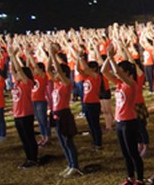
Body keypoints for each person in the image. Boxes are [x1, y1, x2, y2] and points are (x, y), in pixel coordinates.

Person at [102, 43, 145, 185]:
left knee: (133, 152)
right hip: (120, 121)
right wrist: (108, 58)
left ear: (127, 72)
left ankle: (139, 179)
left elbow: (117, 73)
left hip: (129, 121)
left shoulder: (131, 84)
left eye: (120, 70)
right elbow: (104, 71)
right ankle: (130, 178)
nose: (117, 72)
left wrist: (111, 58)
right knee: (125, 153)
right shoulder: (120, 84)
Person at [46, 43, 82, 177]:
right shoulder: (57, 83)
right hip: (56, 113)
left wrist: (54, 55)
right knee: (62, 142)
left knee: (68, 141)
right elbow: (49, 70)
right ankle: (69, 164)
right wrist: (50, 55)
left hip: (64, 114)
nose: (54, 74)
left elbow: (58, 71)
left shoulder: (67, 83)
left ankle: (75, 166)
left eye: (58, 72)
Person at [8, 46, 40, 168]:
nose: (17, 75)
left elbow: (19, 71)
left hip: (26, 113)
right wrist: (12, 59)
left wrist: (13, 56)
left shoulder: (28, 83)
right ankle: (29, 158)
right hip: (17, 114)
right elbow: (14, 71)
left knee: (29, 137)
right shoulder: (18, 83)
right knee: (23, 138)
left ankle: (34, 158)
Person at [75, 51, 103, 150]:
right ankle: (94, 142)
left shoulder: (96, 77)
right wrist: (78, 60)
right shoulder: (87, 77)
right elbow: (78, 69)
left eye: (90, 68)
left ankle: (98, 143)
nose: (87, 70)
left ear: (94, 69)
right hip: (87, 103)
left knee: (95, 124)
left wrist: (80, 58)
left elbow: (85, 68)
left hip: (94, 103)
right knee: (90, 124)